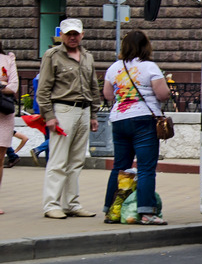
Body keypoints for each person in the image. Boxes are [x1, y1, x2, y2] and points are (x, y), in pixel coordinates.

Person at [103, 30, 171, 225]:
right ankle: (147, 213)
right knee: (146, 168)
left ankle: (112, 211)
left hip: (119, 119)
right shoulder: (149, 67)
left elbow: (108, 95)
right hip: (143, 120)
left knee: (120, 166)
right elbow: (163, 94)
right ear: (145, 47)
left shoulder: (114, 68)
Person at [37, 18, 101, 219]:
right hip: (63, 110)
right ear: (61, 36)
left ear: (82, 34)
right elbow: (44, 88)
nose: (72, 37)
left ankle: (72, 203)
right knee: (58, 160)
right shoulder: (52, 55)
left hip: (83, 111)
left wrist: (93, 114)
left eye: (76, 34)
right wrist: (49, 116)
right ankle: (51, 204)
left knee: (76, 161)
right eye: (68, 34)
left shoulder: (87, 56)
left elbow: (93, 87)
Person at [0, 38, 18, 212]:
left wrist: (2, 85)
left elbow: (13, 86)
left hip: (3, 115)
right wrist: (1, 85)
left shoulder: (7, 60)